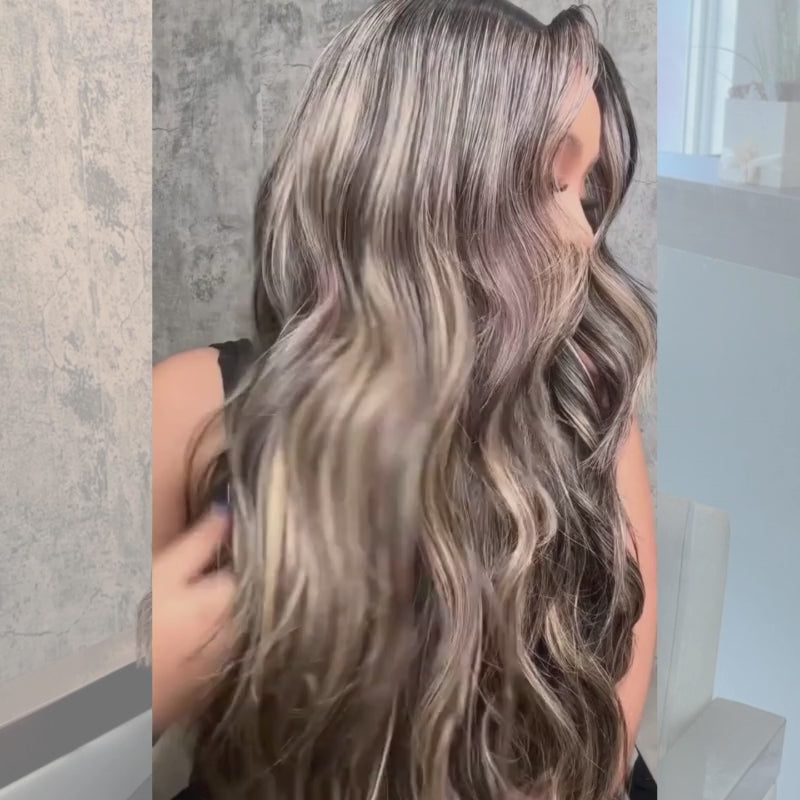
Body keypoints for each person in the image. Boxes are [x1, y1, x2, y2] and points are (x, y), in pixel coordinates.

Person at [152, 0, 657, 798]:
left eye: (585, 194)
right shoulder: (194, 409)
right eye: (547, 182)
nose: (582, 236)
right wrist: (144, 678)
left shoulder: (583, 416)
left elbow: (607, 739)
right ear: (414, 183)